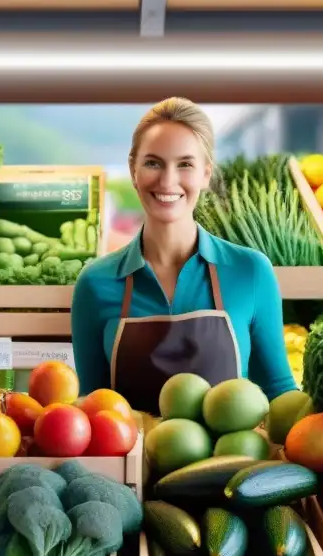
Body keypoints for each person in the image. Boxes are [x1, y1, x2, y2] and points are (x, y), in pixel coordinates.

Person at [71, 97, 297, 417]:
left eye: (185, 164)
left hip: (229, 466)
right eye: (153, 163)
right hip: (128, 468)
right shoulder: (96, 283)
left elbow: (279, 392)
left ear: (206, 174)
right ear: (133, 170)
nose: (167, 181)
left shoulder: (250, 271)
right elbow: (89, 407)